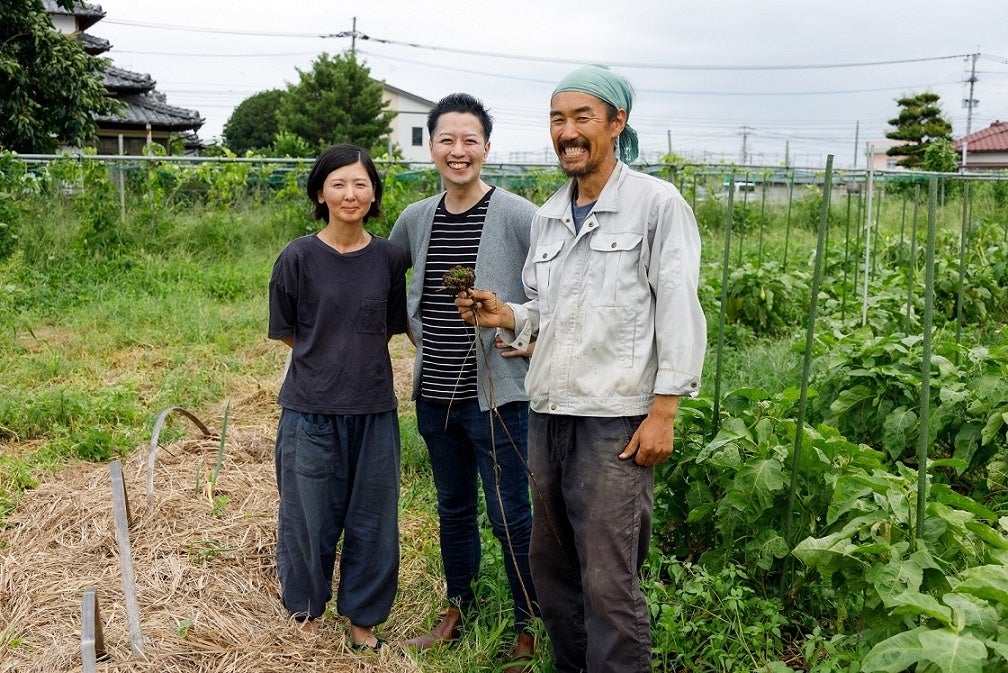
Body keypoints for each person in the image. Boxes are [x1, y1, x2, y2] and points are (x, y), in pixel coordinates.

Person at [455, 65, 707, 672]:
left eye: (582, 117)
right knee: (553, 570)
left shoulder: (654, 205)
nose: (567, 131)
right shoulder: (548, 216)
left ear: (617, 124)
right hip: (550, 415)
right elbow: (549, 312)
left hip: (614, 423)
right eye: (557, 119)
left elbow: (679, 307)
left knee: (608, 581)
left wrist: (665, 409)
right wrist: (506, 315)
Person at [389, 92, 539, 671]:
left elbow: (550, 292)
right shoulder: (414, 219)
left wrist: (522, 334)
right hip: (436, 395)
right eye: (447, 140)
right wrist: (416, 335)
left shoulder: (518, 215)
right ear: (432, 147)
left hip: (498, 396)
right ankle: (459, 608)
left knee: (509, 513)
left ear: (487, 148)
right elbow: (395, 287)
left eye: (470, 140)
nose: (458, 151)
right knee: (452, 507)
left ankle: (529, 623)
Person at [268, 143, 408, 652]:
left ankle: (363, 621)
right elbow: (288, 330)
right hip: (309, 410)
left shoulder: (390, 258)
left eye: (361, 184)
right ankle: (304, 612)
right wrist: (324, 361)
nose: (350, 194)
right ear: (320, 194)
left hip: (373, 410)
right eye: (338, 184)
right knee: (307, 518)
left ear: (374, 195)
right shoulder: (298, 257)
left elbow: (393, 325)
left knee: (374, 520)